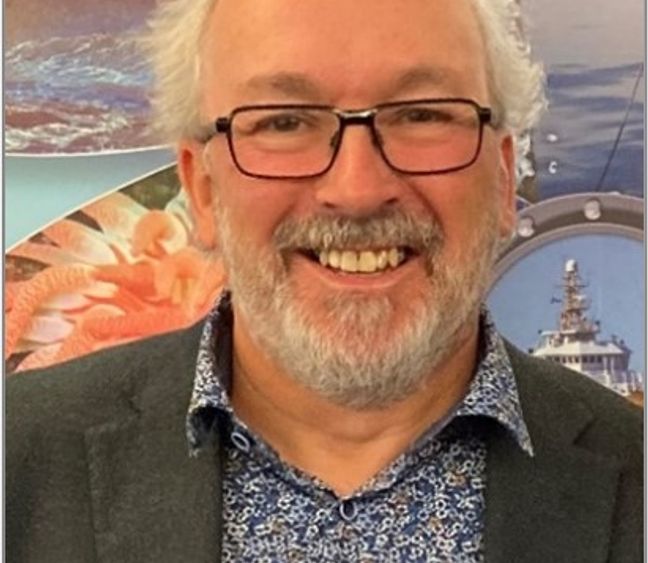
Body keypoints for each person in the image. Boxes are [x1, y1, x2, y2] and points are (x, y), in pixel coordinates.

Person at [6, 0, 642, 561]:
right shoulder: (18, 459)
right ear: (202, 188)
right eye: (284, 121)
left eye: (421, 115)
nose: (356, 190)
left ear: (503, 178)